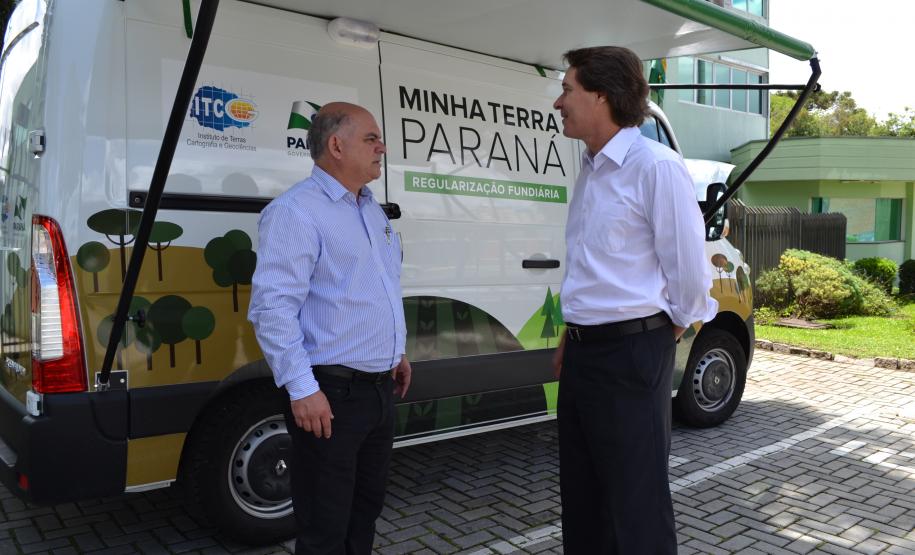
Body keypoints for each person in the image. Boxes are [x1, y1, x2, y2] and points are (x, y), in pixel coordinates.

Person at [550, 46, 718, 554]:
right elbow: (592, 269)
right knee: (582, 498)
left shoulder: (656, 166)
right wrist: (571, 334)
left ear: (600, 95)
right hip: (583, 355)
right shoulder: (591, 167)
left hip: (630, 357)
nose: (559, 102)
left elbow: (690, 277)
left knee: (635, 504)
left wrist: (656, 335)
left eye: (567, 89)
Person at [248, 102, 411, 555]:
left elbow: (374, 288)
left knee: (364, 512)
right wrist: (302, 389)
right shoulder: (296, 212)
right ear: (336, 145)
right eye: (371, 139)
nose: (382, 147)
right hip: (330, 397)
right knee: (325, 525)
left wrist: (395, 352)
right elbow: (272, 308)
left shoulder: (370, 209)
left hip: (377, 392)